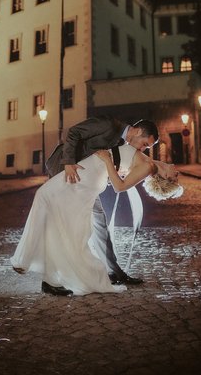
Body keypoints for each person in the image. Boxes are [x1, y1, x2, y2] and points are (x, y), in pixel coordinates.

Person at [11, 142, 183, 296]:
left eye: (175, 177)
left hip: (89, 176)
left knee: (46, 197)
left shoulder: (148, 168)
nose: (178, 172)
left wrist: (108, 161)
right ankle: (49, 278)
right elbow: (124, 161)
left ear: (165, 177)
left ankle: (26, 261)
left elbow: (120, 186)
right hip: (91, 169)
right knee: (58, 213)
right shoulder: (148, 161)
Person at [44, 116, 158, 291]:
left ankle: (114, 272)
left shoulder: (122, 143)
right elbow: (74, 132)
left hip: (85, 181)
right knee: (66, 227)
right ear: (138, 131)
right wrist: (68, 163)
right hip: (66, 173)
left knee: (99, 224)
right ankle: (50, 280)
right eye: (144, 144)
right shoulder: (108, 123)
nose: (142, 149)